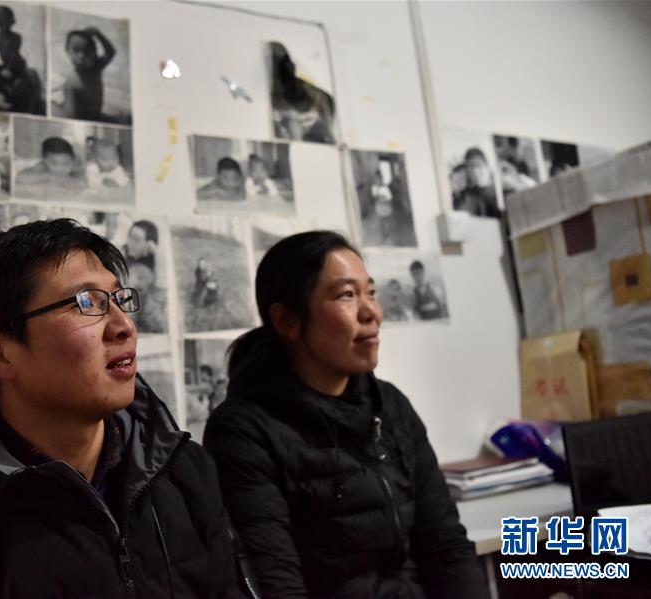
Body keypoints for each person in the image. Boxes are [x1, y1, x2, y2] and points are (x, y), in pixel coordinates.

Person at [0, 219, 252, 598]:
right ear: (0, 355)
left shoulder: (185, 471)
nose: (124, 326)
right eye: (87, 302)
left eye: (118, 298)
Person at [203, 231, 486, 599]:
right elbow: (276, 586)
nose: (372, 313)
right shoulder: (243, 433)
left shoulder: (390, 406)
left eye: (371, 292)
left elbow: (446, 547)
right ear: (287, 321)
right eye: (347, 295)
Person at [59, 27, 116, 122]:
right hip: (83, 120)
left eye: (87, 51)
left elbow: (111, 52)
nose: (81, 56)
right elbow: (70, 116)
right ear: (67, 51)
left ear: (94, 54)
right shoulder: (71, 83)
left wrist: (98, 34)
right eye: (76, 50)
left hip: (97, 116)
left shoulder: (96, 69)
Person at [15, 136, 86, 191]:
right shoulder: (42, 167)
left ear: (73, 160)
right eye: (54, 164)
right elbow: (19, 177)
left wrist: (70, 181)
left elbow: (84, 184)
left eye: (66, 163)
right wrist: (49, 177)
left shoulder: (76, 168)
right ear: (45, 161)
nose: (60, 168)